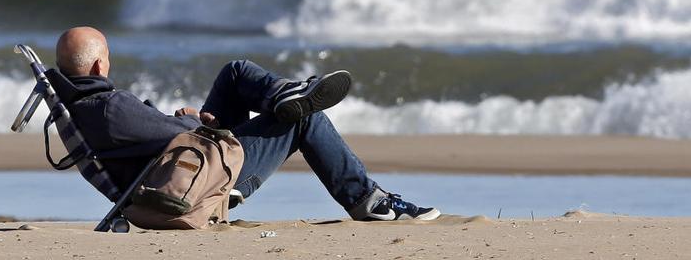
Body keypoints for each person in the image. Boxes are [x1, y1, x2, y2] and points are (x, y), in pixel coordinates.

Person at [51, 26, 440, 221]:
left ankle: (283, 94)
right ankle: (367, 200)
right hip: (195, 182)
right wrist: (185, 121)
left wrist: (184, 124)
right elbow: (174, 136)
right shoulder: (110, 108)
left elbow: (150, 139)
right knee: (306, 120)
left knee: (233, 75)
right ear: (101, 65)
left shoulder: (88, 108)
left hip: (182, 169)